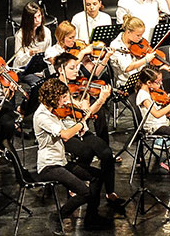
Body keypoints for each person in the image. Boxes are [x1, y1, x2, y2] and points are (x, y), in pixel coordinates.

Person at [33, 80, 111, 233]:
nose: (66, 100)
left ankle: (91, 216)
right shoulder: (42, 116)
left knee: (97, 176)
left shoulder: (54, 111)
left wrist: (81, 123)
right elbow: (66, 135)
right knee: (84, 191)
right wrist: (82, 123)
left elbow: (70, 128)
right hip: (49, 165)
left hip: (61, 161)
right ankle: (57, 216)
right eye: (63, 97)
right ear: (53, 97)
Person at [13, 2, 52, 86]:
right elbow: (18, 61)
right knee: (40, 85)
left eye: (39, 16)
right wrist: (29, 54)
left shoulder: (47, 32)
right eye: (34, 18)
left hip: (41, 69)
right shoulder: (20, 35)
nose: (38, 20)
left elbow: (49, 53)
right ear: (28, 19)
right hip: (24, 70)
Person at [136, 66, 170, 136]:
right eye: (158, 81)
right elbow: (157, 114)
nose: (161, 83)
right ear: (149, 83)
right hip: (155, 128)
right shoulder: (143, 96)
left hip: (163, 122)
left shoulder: (151, 91)